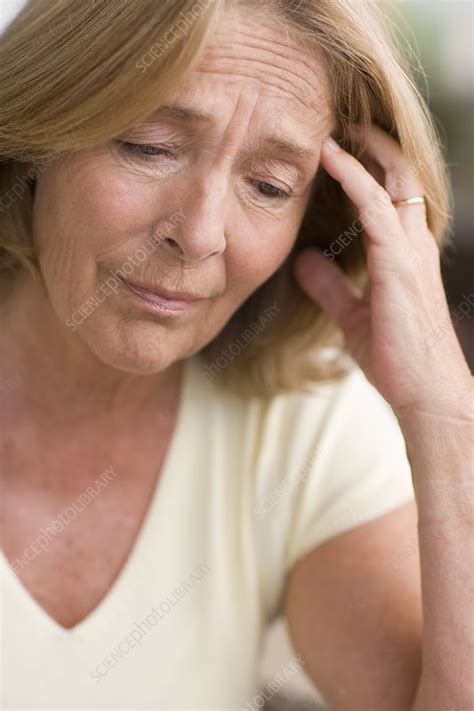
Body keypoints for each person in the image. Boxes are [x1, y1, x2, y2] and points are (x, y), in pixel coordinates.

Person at [0, 0, 472, 709]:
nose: (199, 233)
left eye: (270, 186)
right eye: (151, 146)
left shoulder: (303, 426)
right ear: (38, 138)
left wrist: (441, 407)